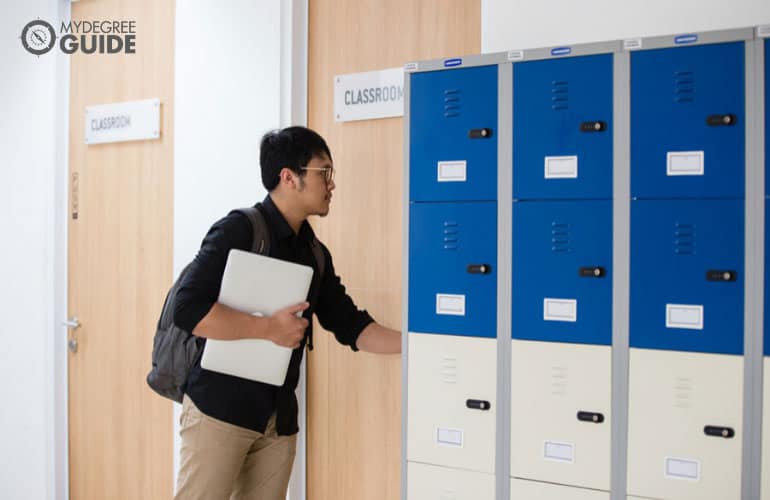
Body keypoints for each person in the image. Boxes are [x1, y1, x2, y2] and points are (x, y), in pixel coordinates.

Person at [172, 126, 401, 500]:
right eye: (323, 172)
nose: (331, 184)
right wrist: (267, 329)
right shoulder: (238, 230)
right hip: (218, 412)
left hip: (277, 422)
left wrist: (419, 343)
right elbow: (188, 309)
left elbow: (352, 326)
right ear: (289, 178)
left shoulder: (314, 253)